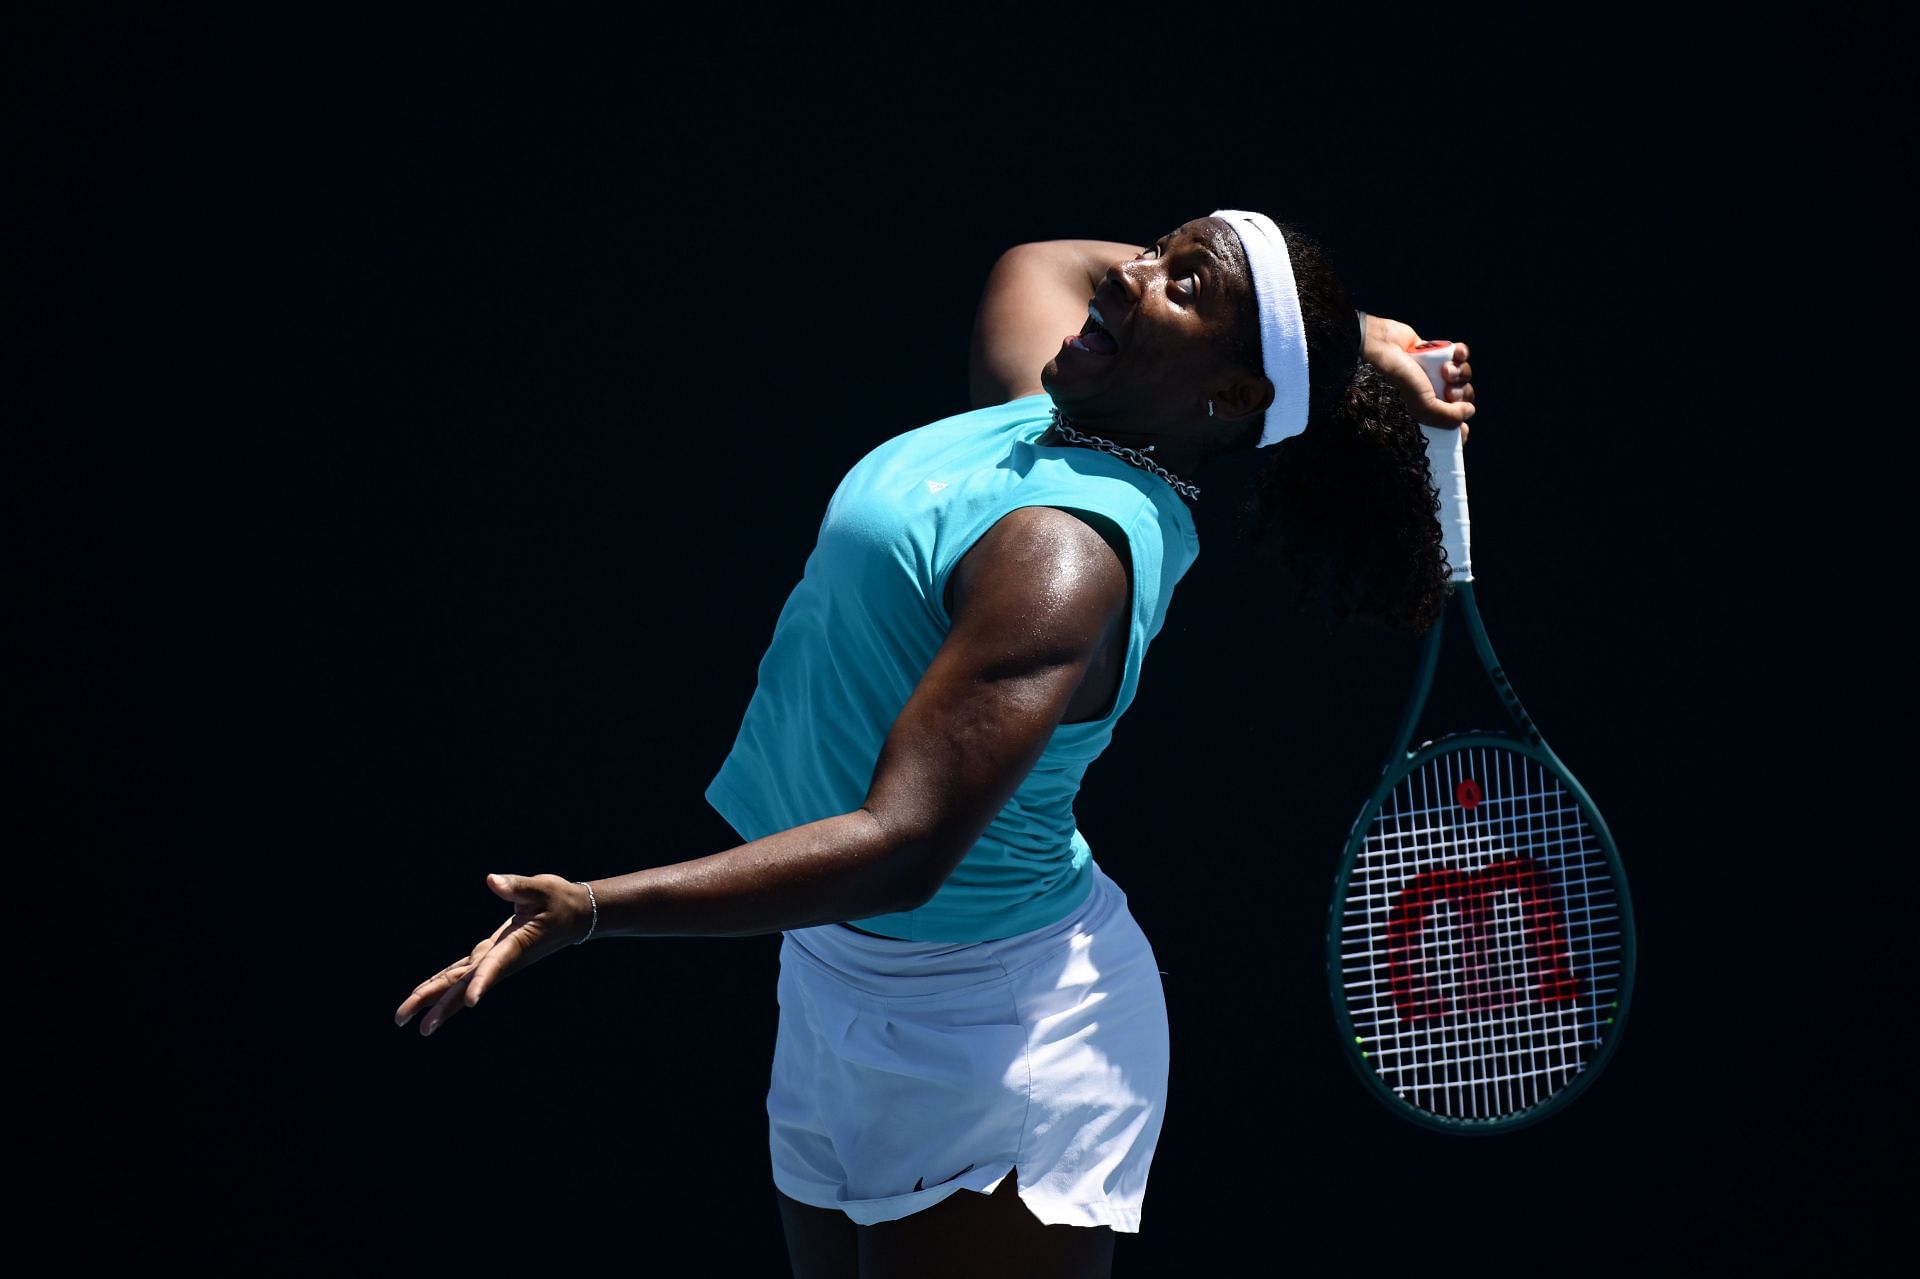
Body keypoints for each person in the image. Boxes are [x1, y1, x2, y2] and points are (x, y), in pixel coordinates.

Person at [394, 209, 1475, 1278]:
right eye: (1158, 248)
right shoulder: (1042, 414)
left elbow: (905, 846)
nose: (1130, 275)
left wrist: (593, 910)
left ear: (1235, 397)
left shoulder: (1064, 552)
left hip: (992, 1032)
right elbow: (1044, 258)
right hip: (836, 973)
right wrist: (1360, 341)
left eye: (1183, 287)